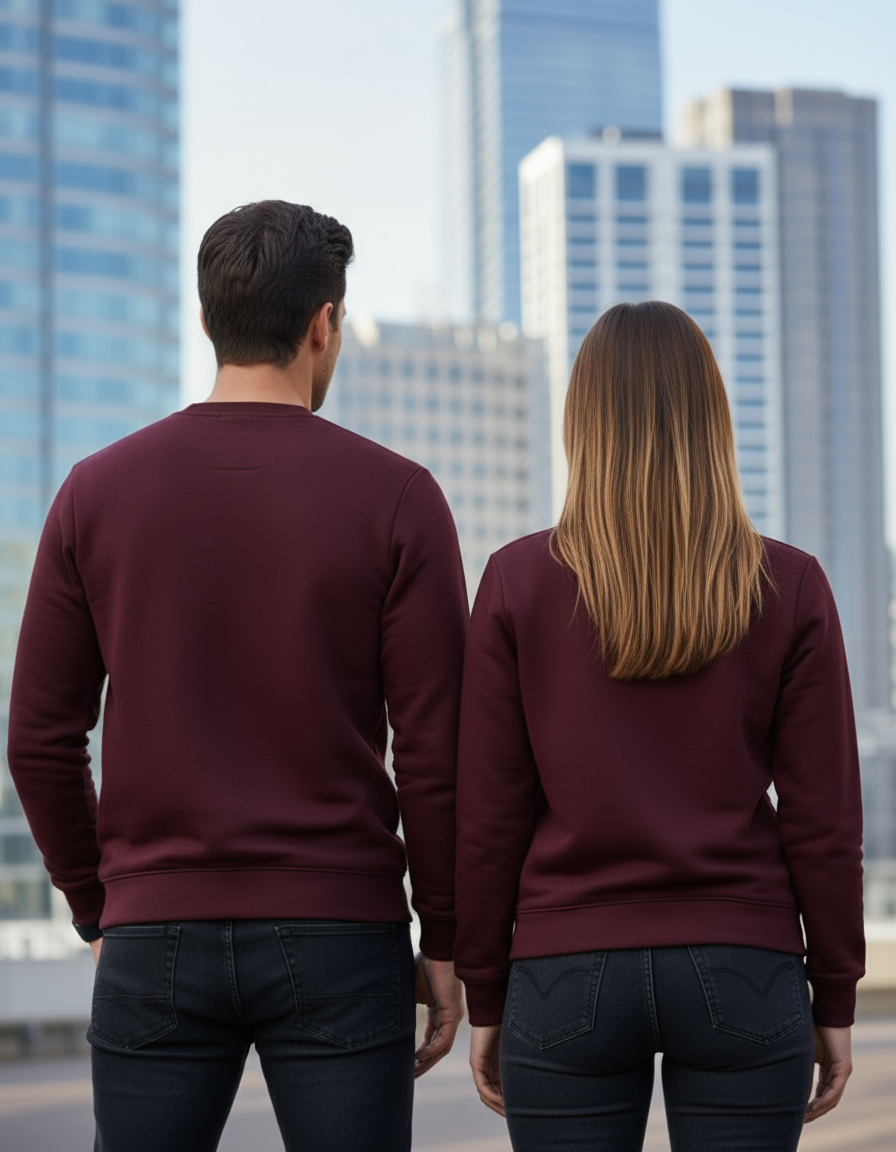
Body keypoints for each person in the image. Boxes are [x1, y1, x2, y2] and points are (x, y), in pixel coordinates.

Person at [7, 200, 467, 1152]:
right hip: (341, 929)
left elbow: (39, 741)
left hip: (154, 926)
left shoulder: (94, 493)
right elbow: (437, 754)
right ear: (324, 324)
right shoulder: (400, 498)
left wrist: (102, 905)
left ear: (207, 322)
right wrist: (448, 936)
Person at [454, 301, 864, 1152]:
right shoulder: (791, 586)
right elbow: (825, 826)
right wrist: (834, 996)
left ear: (581, 423)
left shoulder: (516, 583)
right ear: (713, 420)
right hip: (744, 969)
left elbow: (488, 820)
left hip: (564, 976)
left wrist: (486, 994)